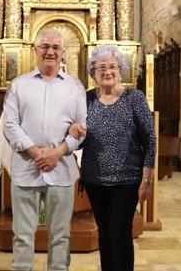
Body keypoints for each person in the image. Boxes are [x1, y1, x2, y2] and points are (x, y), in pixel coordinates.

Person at [3, 28, 87, 271]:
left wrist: (57, 152)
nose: (50, 51)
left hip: (60, 171)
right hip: (25, 170)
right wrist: (35, 152)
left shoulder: (75, 87)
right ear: (35, 50)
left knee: (61, 236)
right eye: (45, 46)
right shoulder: (19, 85)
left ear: (63, 53)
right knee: (22, 235)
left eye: (55, 47)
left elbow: (83, 128)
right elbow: (10, 125)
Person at [69, 45, 156, 271]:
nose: (107, 72)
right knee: (105, 233)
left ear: (120, 70)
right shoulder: (85, 99)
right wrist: (73, 131)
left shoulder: (134, 98)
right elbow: (79, 138)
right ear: (93, 72)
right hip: (94, 179)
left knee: (120, 233)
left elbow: (150, 140)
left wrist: (147, 180)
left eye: (112, 67)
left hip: (126, 180)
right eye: (101, 67)